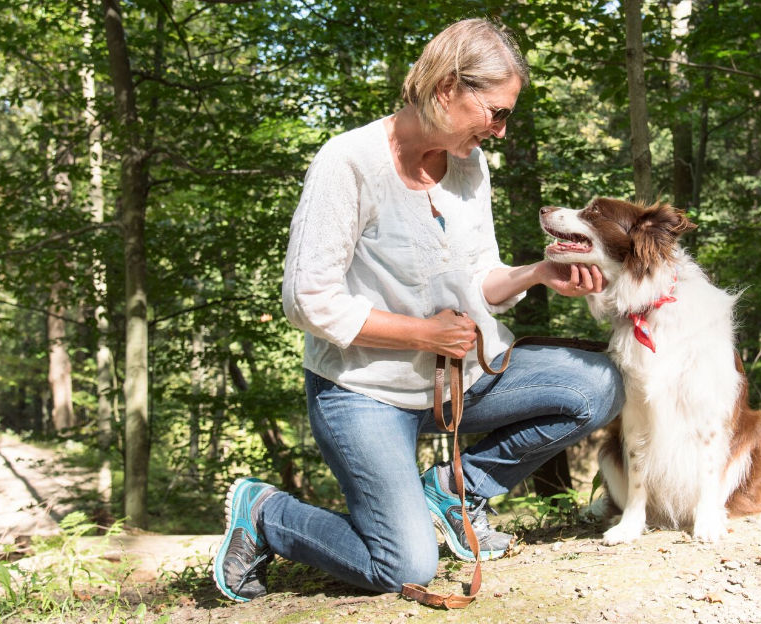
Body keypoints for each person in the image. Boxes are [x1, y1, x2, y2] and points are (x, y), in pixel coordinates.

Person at [213, 18, 624, 602]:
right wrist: (423, 334)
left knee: (601, 384)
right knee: (404, 566)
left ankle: (458, 491)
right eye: (497, 113)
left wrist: (537, 273)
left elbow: (479, 275)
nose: (502, 131)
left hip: (466, 380)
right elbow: (308, 301)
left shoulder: (469, 163)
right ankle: (267, 514)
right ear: (446, 90)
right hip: (363, 393)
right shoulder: (347, 163)